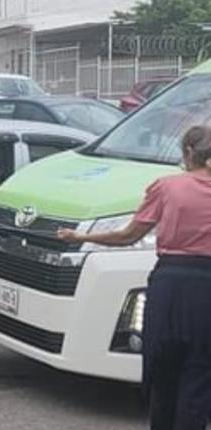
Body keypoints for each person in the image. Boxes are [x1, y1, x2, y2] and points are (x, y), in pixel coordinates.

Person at [58, 126, 211, 430]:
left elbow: (128, 236)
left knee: (162, 371)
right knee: (201, 373)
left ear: (189, 153)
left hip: (169, 285)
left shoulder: (167, 187)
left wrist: (80, 235)